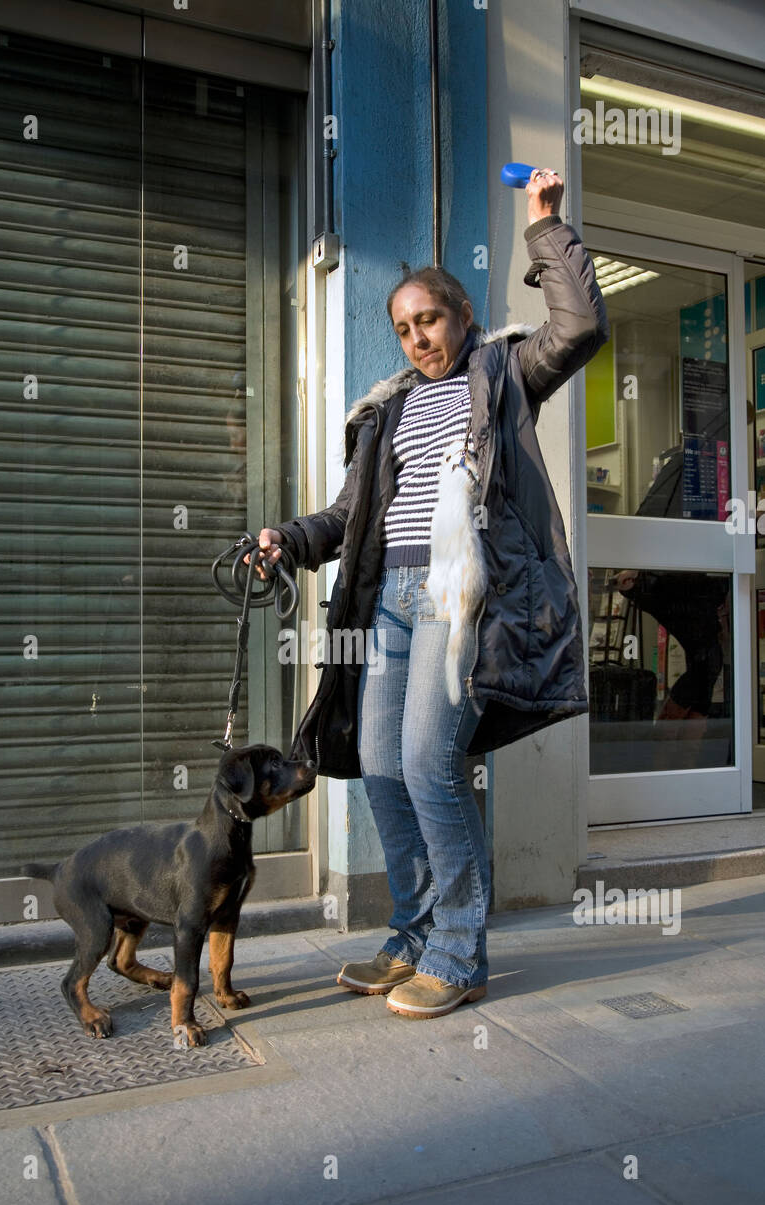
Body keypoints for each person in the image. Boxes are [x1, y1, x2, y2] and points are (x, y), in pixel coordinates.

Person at [247, 169, 609, 1019]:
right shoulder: (389, 413)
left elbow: (581, 325)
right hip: (388, 605)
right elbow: (348, 516)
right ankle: (409, 932)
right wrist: (286, 542)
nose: (418, 338)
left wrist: (545, 225)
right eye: (405, 329)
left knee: (429, 764)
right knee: (379, 763)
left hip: (458, 600)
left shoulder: (504, 373)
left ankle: (458, 950)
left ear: (464, 318)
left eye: (431, 320)